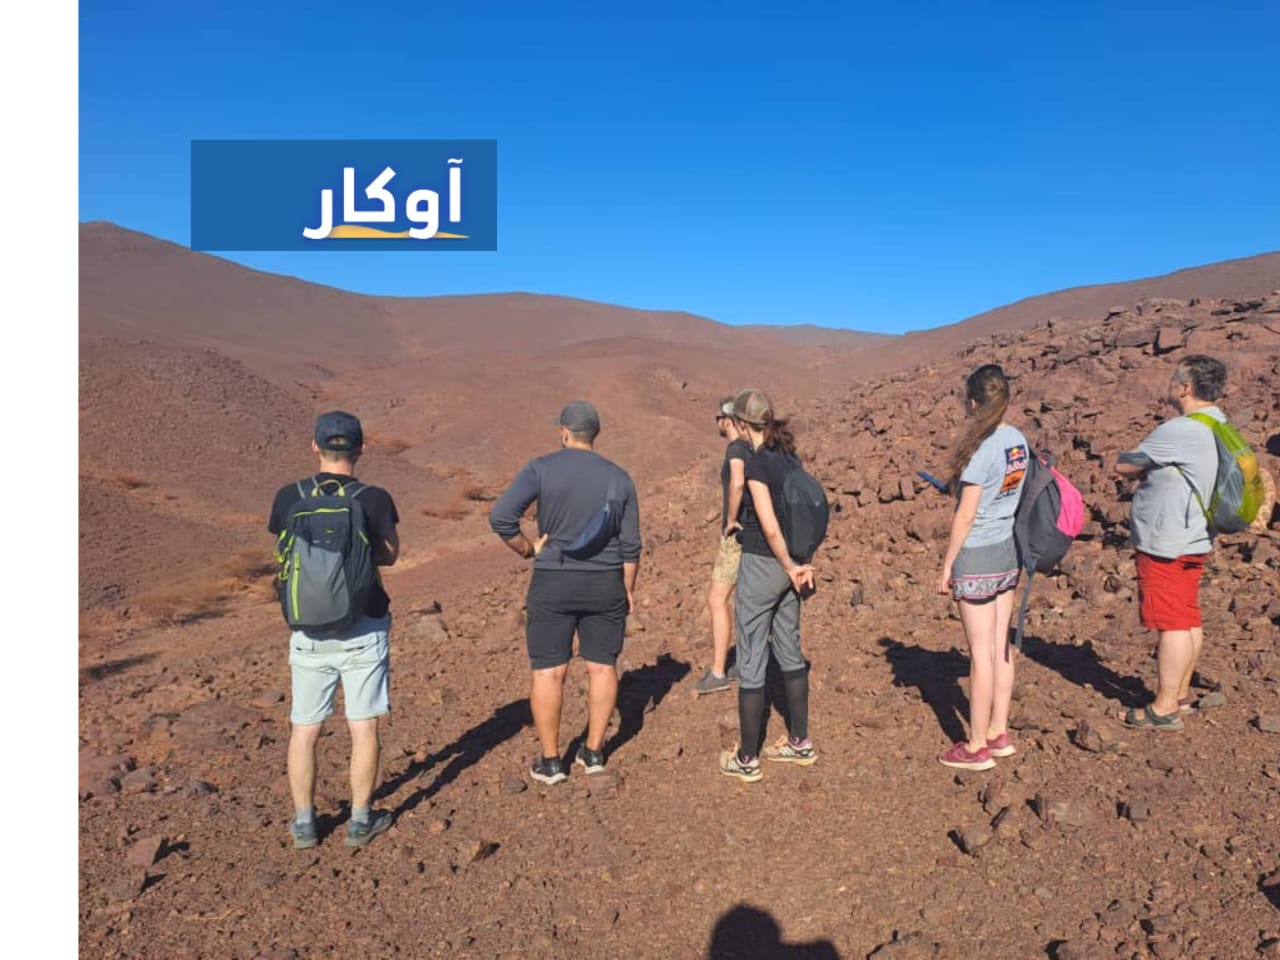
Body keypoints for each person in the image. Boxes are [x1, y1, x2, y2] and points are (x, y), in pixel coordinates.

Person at [489, 401, 642, 785]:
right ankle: (593, 752)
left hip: (553, 580)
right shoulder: (619, 478)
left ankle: (551, 761)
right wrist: (627, 588)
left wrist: (527, 549)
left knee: (549, 670)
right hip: (605, 583)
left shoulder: (541, 469)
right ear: (595, 434)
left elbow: (501, 517)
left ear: (564, 432)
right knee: (602, 667)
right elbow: (631, 545)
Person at [268, 411, 401, 848]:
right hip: (364, 625)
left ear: (315, 446)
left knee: (305, 729)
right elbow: (390, 555)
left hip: (307, 631)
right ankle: (360, 821)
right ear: (361, 449)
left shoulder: (289, 496)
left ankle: (305, 823)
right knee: (363, 726)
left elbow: (285, 554)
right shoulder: (374, 498)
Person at [1113, 354, 1227, 731]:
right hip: (1195, 535)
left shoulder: (1180, 429)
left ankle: (1163, 708)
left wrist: (1134, 460)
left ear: (1186, 387)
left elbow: (1125, 464)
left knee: (1171, 622)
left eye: (1174, 379)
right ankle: (1179, 694)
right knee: (1186, 613)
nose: (1170, 384)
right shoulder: (1219, 422)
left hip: (1168, 539)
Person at [718, 389, 818, 783]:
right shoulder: (788, 456)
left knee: (751, 656)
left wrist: (789, 565)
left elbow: (770, 525)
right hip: (795, 565)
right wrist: (801, 562)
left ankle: (747, 759)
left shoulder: (758, 463)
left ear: (743, 425)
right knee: (790, 650)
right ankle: (800, 742)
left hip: (766, 563)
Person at [935, 365, 1029, 772]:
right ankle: (998, 731)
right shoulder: (1016, 441)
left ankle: (976, 746)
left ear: (973, 403)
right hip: (1007, 551)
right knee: (1000, 646)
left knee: (980, 655)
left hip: (976, 555)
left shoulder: (981, 449)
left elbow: (966, 516)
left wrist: (947, 564)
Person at [696, 396, 750, 696]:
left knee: (717, 599)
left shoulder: (736, 449)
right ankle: (745, 663)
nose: (717, 423)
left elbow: (738, 483)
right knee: (746, 598)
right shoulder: (753, 447)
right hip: (753, 536)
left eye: (719, 418)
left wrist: (731, 519)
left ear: (727, 420)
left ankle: (718, 672)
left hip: (737, 537)